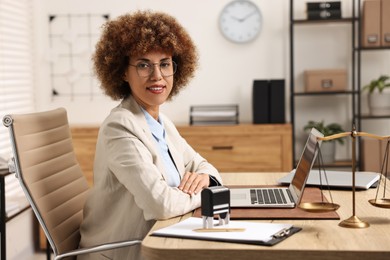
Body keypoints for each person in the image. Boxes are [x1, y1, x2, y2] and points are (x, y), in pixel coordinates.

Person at [78, 10, 223, 260]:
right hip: (124, 251)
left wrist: (206, 178)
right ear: (123, 72)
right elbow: (161, 204)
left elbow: (201, 164)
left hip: (161, 235)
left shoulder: (160, 121)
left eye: (165, 64)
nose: (157, 76)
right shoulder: (119, 127)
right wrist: (206, 193)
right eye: (144, 64)